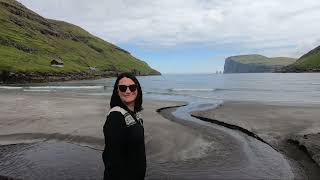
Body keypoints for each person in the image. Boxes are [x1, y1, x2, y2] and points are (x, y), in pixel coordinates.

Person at [102, 72, 146, 180]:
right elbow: (111, 159)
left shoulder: (136, 115)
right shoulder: (116, 116)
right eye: (122, 88)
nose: (127, 91)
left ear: (137, 89)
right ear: (117, 91)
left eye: (132, 87)